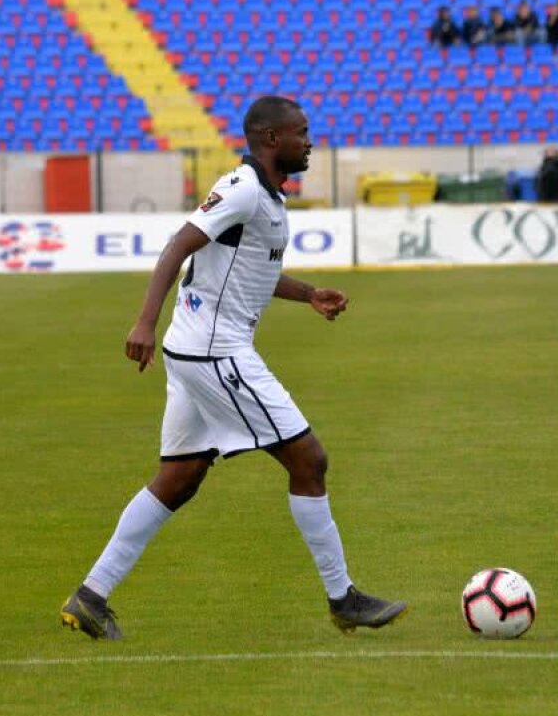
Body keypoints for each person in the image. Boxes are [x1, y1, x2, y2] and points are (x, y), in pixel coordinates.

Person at [59, 96, 407, 640]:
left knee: (178, 478)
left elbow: (250, 271)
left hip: (196, 350)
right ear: (272, 139)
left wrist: (310, 293)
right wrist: (143, 322)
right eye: (302, 133)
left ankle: (90, 596)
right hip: (215, 352)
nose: (310, 142)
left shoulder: (266, 198)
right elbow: (179, 245)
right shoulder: (243, 189)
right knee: (309, 460)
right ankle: (344, 599)